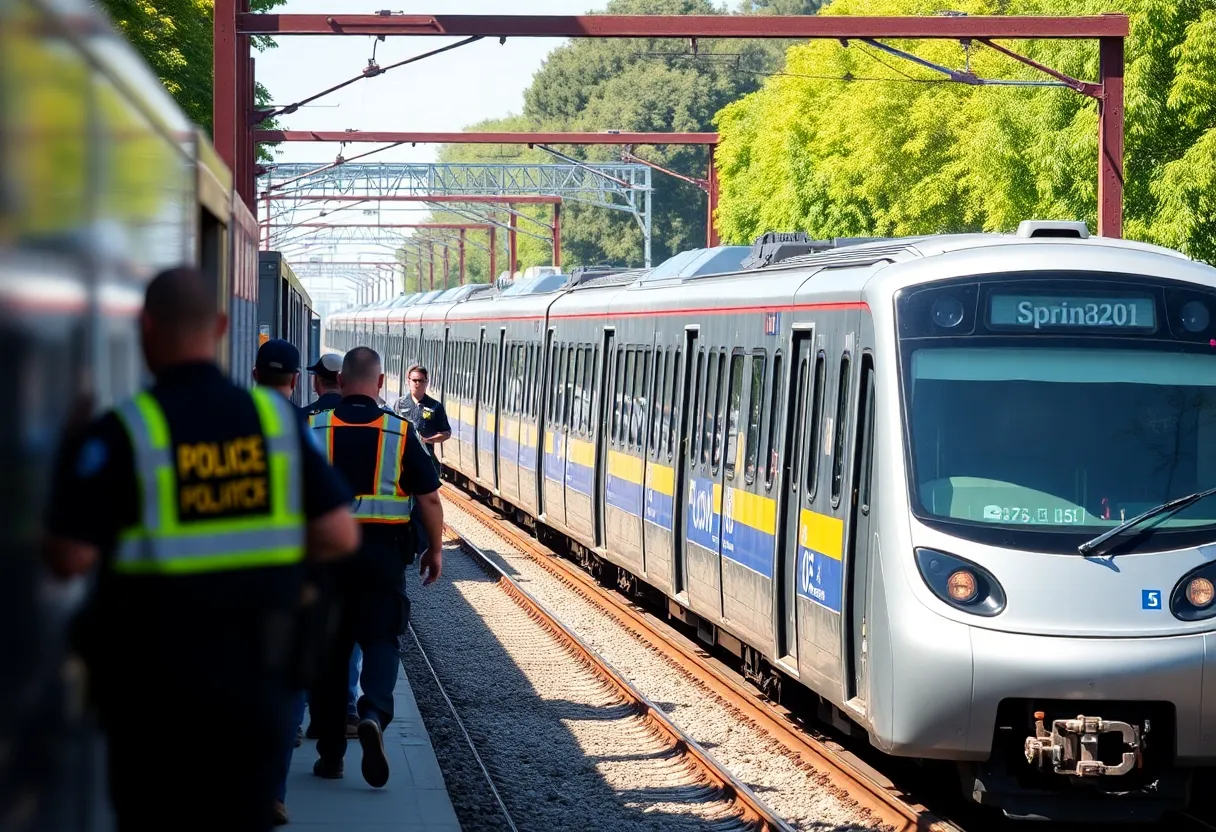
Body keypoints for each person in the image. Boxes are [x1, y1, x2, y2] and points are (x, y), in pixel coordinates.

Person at [41, 266, 360, 832]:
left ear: (144, 328)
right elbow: (339, 533)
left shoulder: (126, 430)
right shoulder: (271, 423)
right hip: (253, 686)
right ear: (218, 327)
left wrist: (68, 462)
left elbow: (69, 558)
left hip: (153, 696)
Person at [307, 346, 444, 788]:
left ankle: (331, 757)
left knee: (330, 652)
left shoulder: (312, 427)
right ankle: (373, 714)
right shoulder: (400, 432)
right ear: (382, 384)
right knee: (382, 638)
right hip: (383, 556)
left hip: (326, 557)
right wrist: (435, 550)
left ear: (340, 383)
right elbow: (429, 498)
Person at [393, 365, 451, 557]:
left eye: (421, 381)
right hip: (401, 462)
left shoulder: (435, 406)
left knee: (424, 503)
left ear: (427, 383)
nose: (417, 384)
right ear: (408, 381)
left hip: (426, 460)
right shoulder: (400, 404)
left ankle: (422, 544)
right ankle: (406, 539)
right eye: (414, 380)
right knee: (404, 501)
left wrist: (428, 439)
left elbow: (446, 432)